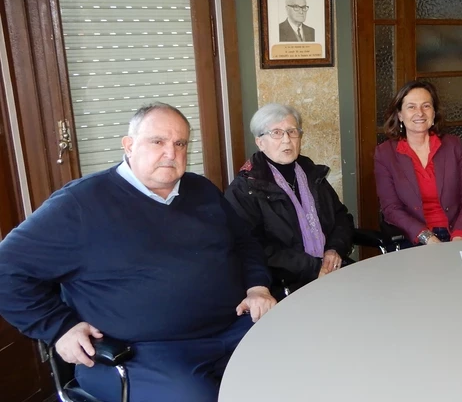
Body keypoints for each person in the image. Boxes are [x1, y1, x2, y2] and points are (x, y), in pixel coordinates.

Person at [0, 103, 275, 402]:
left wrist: (257, 287)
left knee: (301, 364)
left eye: (180, 143)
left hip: (232, 329)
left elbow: (244, 242)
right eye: (157, 141)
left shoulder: (201, 190)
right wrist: (58, 328)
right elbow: (6, 269)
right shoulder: (80, 205)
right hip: (140, 354)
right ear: (129, 145)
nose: (171, 153)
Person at [225, 103, 354, 298]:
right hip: (286, 284)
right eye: (276, 133)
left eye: (292, 132)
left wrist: (334, 250)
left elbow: (341, 217)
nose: (286, 140)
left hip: (332, 268)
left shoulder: (311, 173)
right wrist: (312, 267)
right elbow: (253, 247)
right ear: (260, 141)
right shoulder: (245, 188)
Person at [374, 80, 462, 246]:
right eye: (411, 107)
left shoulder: (453, 145)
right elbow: (391, 209)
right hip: (415, 238)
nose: (420, 113)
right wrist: (427, 237)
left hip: (459, 233)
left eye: (426, 106)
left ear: (434, 113)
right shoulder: (385, 154)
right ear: (400, 115)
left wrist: (460, 236)